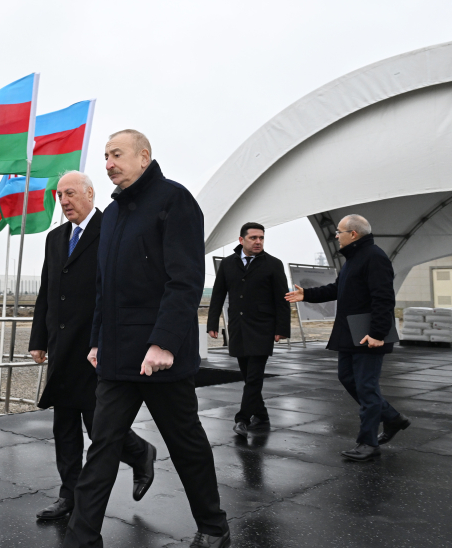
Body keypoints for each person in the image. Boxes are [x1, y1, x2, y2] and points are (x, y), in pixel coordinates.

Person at [62, 130, 230, 548]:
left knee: (186, 443)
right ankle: (82, 538)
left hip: (160, 358)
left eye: (116, 154)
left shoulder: (175, 200)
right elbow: (104, 288)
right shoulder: (113, 215)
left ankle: (214, 527)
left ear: (143, 156)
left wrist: (164, 343)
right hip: (116, 357)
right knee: (102, 447)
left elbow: (185, 279)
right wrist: (97, 342)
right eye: (105, 156)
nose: (108, 164)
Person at [29, 171, 156, 521]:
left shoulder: (110, 229)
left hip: (95, 346)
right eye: (59, 195)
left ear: (90, 194)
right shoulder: (55, 238)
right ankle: (68, 495)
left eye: (70, 193)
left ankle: (140, 452)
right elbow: (47, 291)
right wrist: (39, 339)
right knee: (64, 424)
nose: (64, 201)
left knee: (99, 425)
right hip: (61, 346)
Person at [285, 214, 410, 461]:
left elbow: (384, 298)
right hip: (350, 332)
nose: (336, 236)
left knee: (366, 387)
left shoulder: (374, 257)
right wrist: (307, 295)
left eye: (339, 232)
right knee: (347, 378)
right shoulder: (354, 258)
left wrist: (378, 333)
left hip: (368, 334)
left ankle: (368, 443)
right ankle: (392, 418)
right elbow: (337, 288)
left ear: (353, 234)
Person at [207, 222, 291, 437]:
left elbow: (282, 299)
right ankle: (261, 414)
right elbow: (218, 294)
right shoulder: (228, 264)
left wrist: (282, 328)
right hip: (238, 326)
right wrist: (212, 323)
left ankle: (242, 419)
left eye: (261, 238)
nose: (258, 241)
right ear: (241, 240)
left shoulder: (273, 264)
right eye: (253, 238)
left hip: (263, 327)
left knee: (254, 376)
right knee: (247, 375)